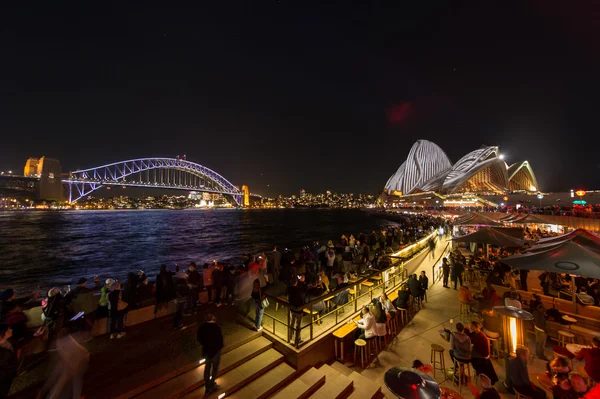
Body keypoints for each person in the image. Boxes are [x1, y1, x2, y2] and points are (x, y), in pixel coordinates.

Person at [196, 313, 223, 394]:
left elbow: (199, 338)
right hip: (215, 353)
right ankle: (212, 384)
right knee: (214, 369)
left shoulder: (202, 328)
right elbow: (220, 341)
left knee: (207, 369)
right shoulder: (217, 328)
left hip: (207, 352)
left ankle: (207, 386)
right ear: (213, 318)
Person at [0, 324, 17, 399]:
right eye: (8, 329)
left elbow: (19, 344)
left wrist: (36, 334)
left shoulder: (8, 341)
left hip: (9, 376)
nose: (11, 330)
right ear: (1, 335)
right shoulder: (2, 353)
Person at [287, 276, 305, 345]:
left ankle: (290, 336)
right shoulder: (298, 291)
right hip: (298, 310)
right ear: (296, 282)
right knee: (298, 325)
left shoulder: (289, 289)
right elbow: (302, 299)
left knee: (292, 322)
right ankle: (297, 340)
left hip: (292, 308)